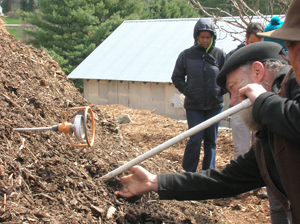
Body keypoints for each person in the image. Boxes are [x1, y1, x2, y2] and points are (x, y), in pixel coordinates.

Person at [114, 41, 300, 224]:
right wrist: (155, 182)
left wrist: (262, 101)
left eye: (234, 88)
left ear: (258, 72)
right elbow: (227, 180)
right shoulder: (270, 137)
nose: (233, 102)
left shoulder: (293, 84)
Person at [171, 18, 226, 172]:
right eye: (202, 37)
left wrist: (219, 92)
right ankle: (188, 173)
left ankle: (208, 174)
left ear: (213, 37)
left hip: (215, 106)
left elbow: (228, 77)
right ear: (196, 37)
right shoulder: (186, 55)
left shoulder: (220, 55)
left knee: (211, 141)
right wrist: (189, 92)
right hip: (194, 106)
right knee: (195, 139)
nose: (205, 40)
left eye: (208, 37)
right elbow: (176, 77)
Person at [227, 22, 264, 161]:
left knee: (260, 149)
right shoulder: (235, 57)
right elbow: (228, 82)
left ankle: (260, 181)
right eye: (252, 42)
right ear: (246, 38)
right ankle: (239, 181)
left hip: (259, 106)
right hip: (240, 106)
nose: (255, 47)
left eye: (259, 43)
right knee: (241, 149)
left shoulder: (266, 56)